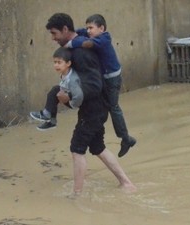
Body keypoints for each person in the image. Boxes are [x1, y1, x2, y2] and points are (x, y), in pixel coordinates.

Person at [45, 12, 136, 194]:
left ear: (64, 30)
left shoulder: (81, 52)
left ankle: (76, 195)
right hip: (95, 109)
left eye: (54, 34)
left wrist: (70, 101)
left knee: (77, 148)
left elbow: (94, 86)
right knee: (97, 147)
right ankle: (126, 183)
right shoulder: (78, 46)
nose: (53, 38)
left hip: (94, 109)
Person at [65, 14, 136, 158]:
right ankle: (103, 133)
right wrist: (71, 33)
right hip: (104, 78)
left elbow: (87, 44)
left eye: (91, 28)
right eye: (87, 28)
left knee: (113, 106)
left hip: (112, 79)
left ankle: (126, 138)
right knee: (103, 106)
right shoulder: (89, 33)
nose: (88, 31)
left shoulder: (104, 38)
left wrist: (70, 44)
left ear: (102, 28)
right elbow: (78, 33)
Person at [30, 47, 83, 131]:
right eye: (55, 62)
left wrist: (69, 101)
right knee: (55, 94)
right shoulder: (65, 73)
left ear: (68, 63)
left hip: (75, 102)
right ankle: (51, 121)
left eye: (59, 62)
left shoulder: (72, 79)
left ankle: (47, 115)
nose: (56, 65)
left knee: (55, 90)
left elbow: (79, 95)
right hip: (70, 97)